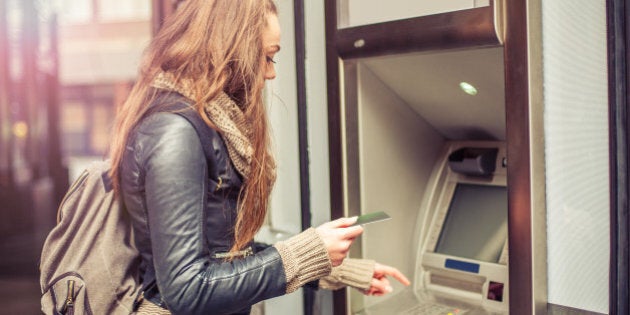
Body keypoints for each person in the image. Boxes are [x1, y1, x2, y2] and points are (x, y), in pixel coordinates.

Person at [108, 0, 410, 314]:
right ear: (230, 50)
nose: (271, 73)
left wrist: (335, 268)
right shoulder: (176, 130)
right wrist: (307, 252)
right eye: (267, 57)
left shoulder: (204, 124)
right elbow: (186, 289)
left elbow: (224, 256)